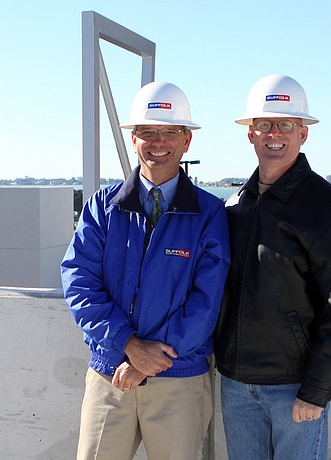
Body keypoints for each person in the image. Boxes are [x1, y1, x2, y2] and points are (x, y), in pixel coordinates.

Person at [61, 81, 230, 459]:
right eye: (147, 132)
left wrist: (150, 360)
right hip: (111, 375)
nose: (158, 142)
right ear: (133, 139)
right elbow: (78, 283)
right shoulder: (101, 208)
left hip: (179, 381)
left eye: (170, 132)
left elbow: (207, 301)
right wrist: (128, 346)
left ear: (187, 140)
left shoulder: (209, 214)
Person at [215, 74, 331, 460]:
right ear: (250, 133)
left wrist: (317, 391)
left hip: (294, 388)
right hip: (236, 384)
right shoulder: (237, 205)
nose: (274, 134)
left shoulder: (327, 209)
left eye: (285, 124)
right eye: (264, 124)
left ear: (303, 133)